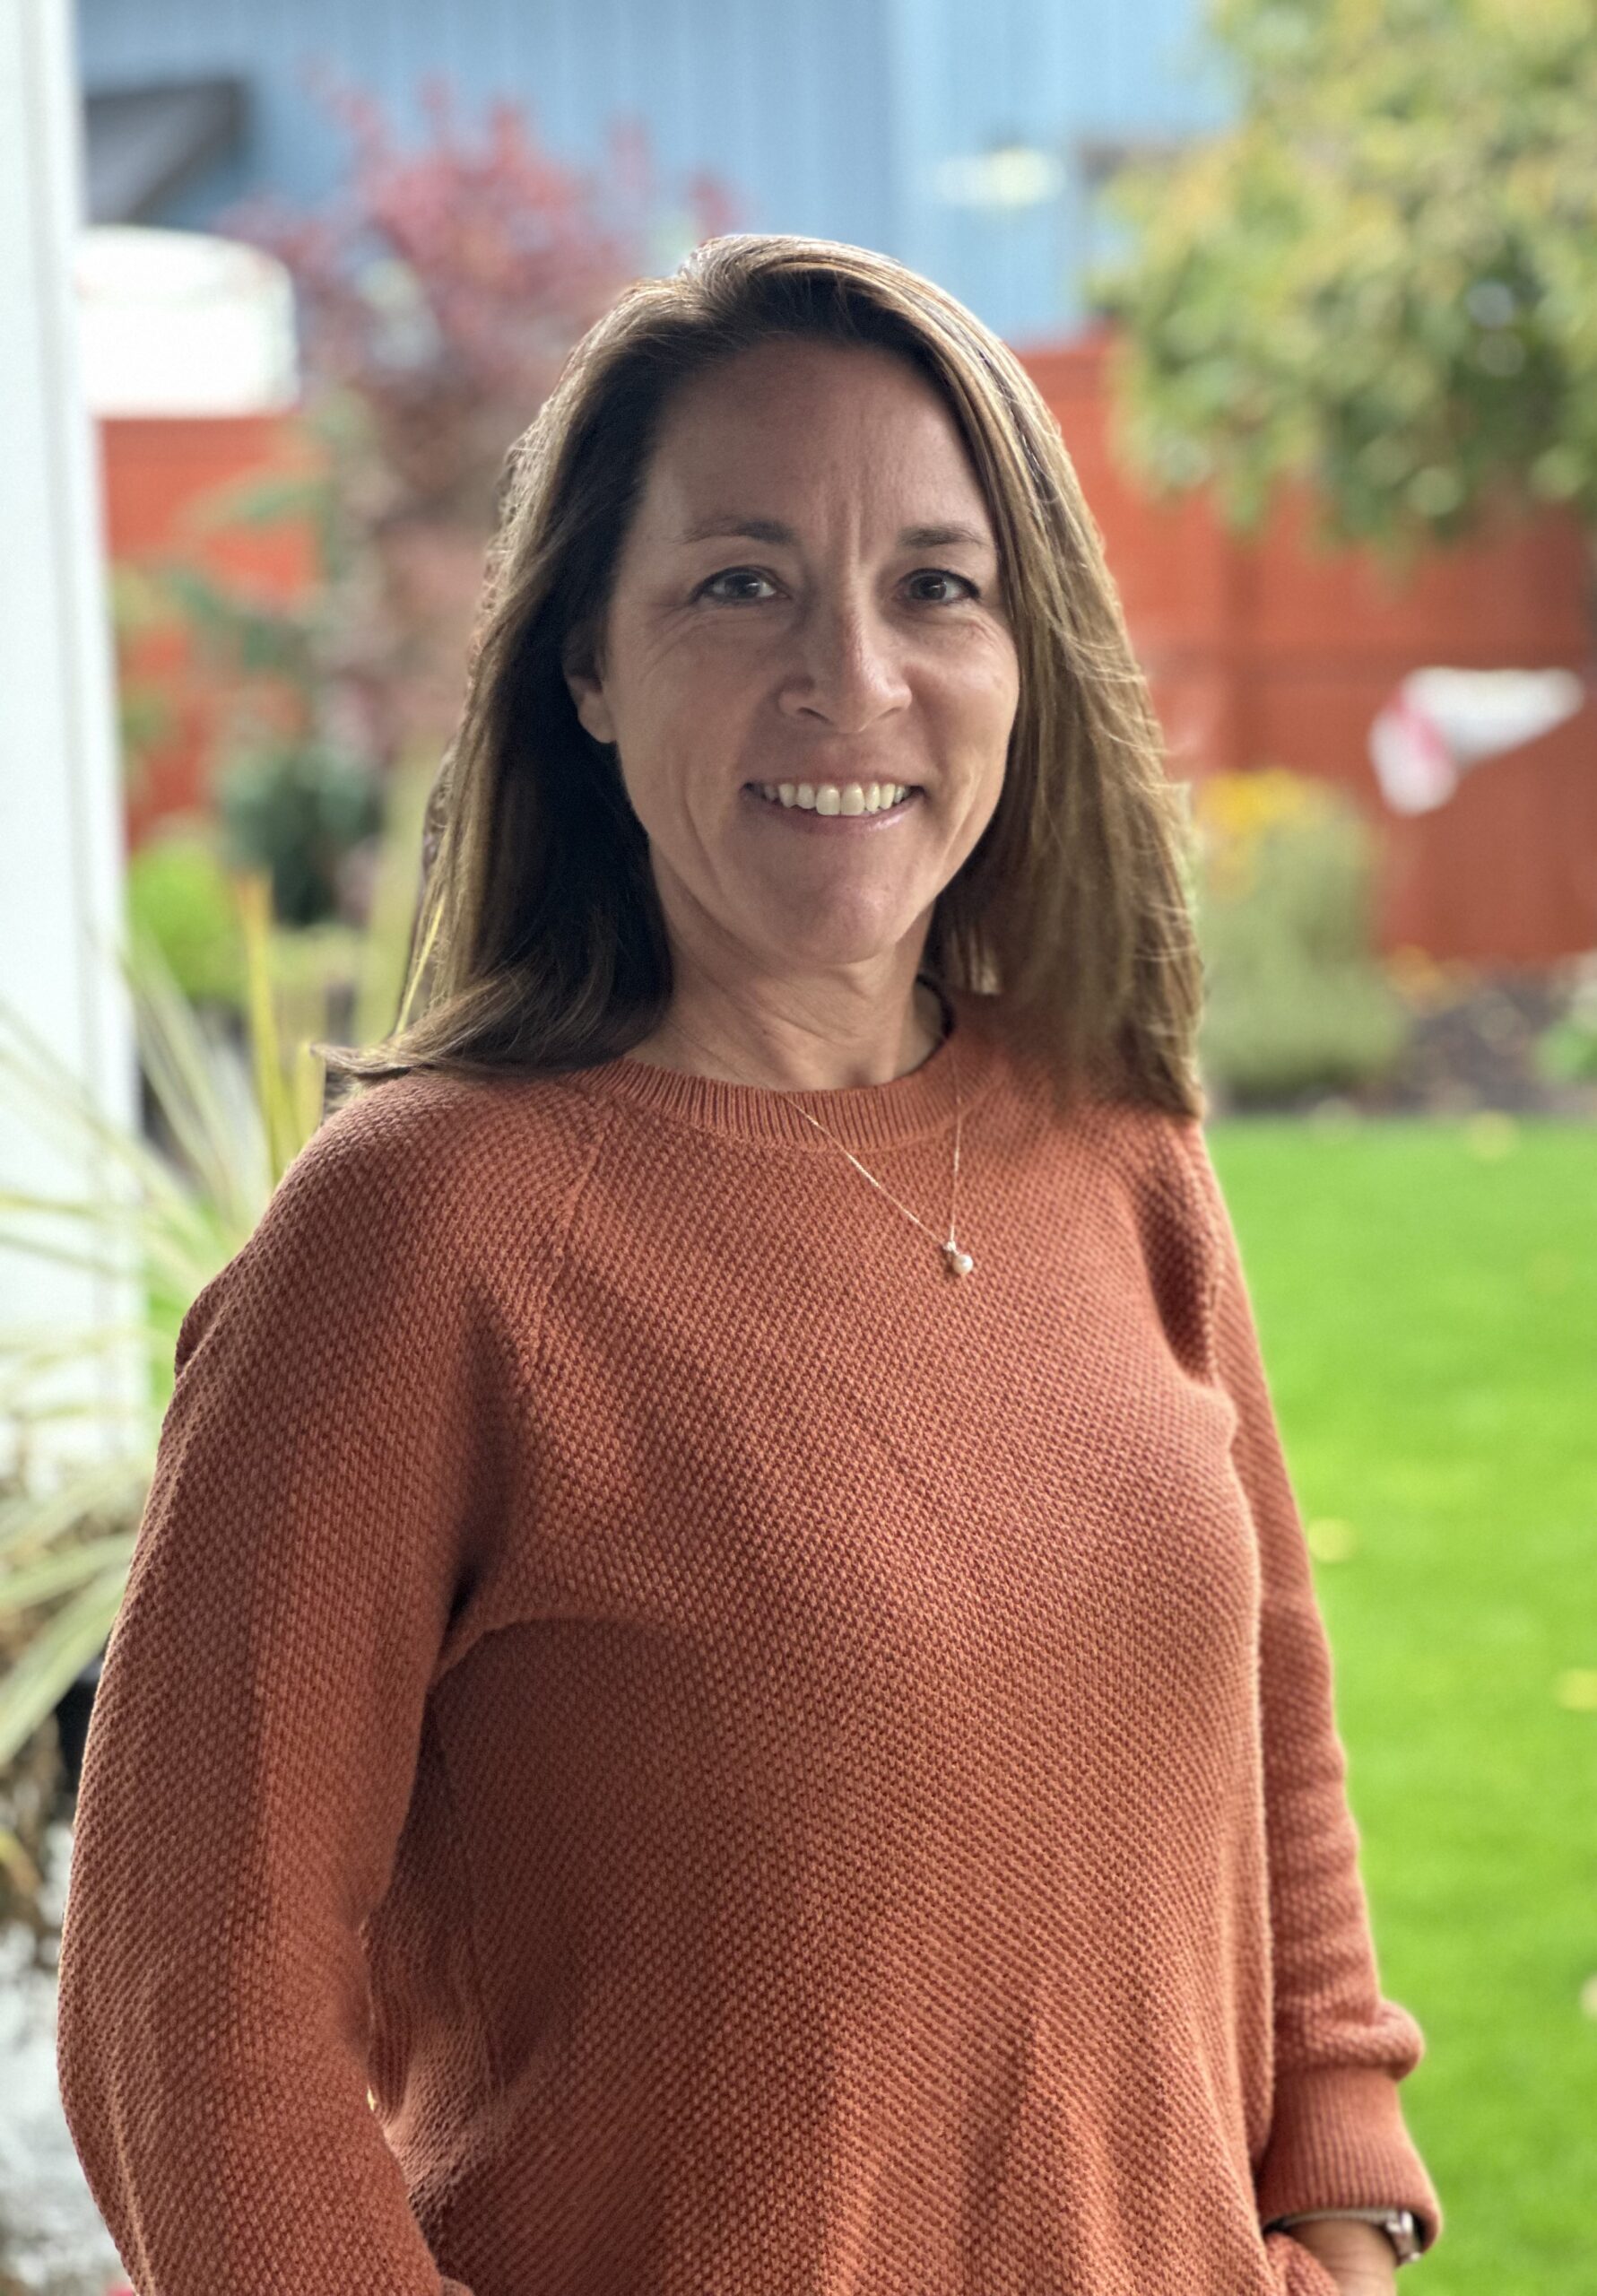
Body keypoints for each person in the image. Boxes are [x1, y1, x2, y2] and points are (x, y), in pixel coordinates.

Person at [54, 233, 1443, 2296]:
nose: (850, 680)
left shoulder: (1112, 1140)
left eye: (934, 588)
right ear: (587, 669)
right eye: (739, 582)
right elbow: (193, 2002)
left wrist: (1334, 2191)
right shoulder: (422, 1234)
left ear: (1025, 649)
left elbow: (1267, 1702)